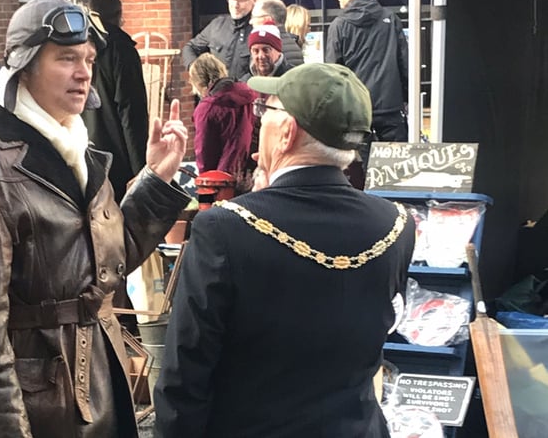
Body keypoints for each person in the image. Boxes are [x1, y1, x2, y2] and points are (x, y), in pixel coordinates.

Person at [0, 0, 191, 437]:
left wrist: (155, 181)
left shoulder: (75, 147)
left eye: (87, 58)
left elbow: (99, 265)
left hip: (101, 389)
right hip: (44, 414)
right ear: (25, 66)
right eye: (66, 58)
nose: (84, 71)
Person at [154, 63, 416, 437]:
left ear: (287, 132)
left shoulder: (224, 227)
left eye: (266, 110)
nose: (259, 120)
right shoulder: (397, 224)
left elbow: (184, 375)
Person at [82, 0, 149, 203]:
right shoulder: (121, 49)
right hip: (118, 156)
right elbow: (132, 112)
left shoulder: (78, 48)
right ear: (119, 16)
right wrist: (141, 170)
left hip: (84, 151)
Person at [325, 0, 409, 143]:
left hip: (356, 111)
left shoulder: (338, 25)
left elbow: (333, 73)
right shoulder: (391, 19)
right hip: (390, 106)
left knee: (359, 161)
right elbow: (404, 63)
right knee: (396, 162)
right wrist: (405, 97)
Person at [188, 53, 256, 188]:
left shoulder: (208, 108)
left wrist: (205, 184)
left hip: (222, 179)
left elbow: (204, 151)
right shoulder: (248, 94)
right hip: (252, 171)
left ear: (198, 81)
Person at [182, 0, 258, 81]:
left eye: (242, 0)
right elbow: (190, 47)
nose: (235, 5)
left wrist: (236, 88)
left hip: (244, 92)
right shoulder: (217, 25)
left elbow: (260, 69)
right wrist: (196, 70)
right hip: (214, 91)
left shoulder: (258, 30)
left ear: (255, 0)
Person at [249, 0, 303, 66]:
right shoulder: (293, 44)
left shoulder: (273, 47)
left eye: (254, 17)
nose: (250, 22)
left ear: (267, 20)